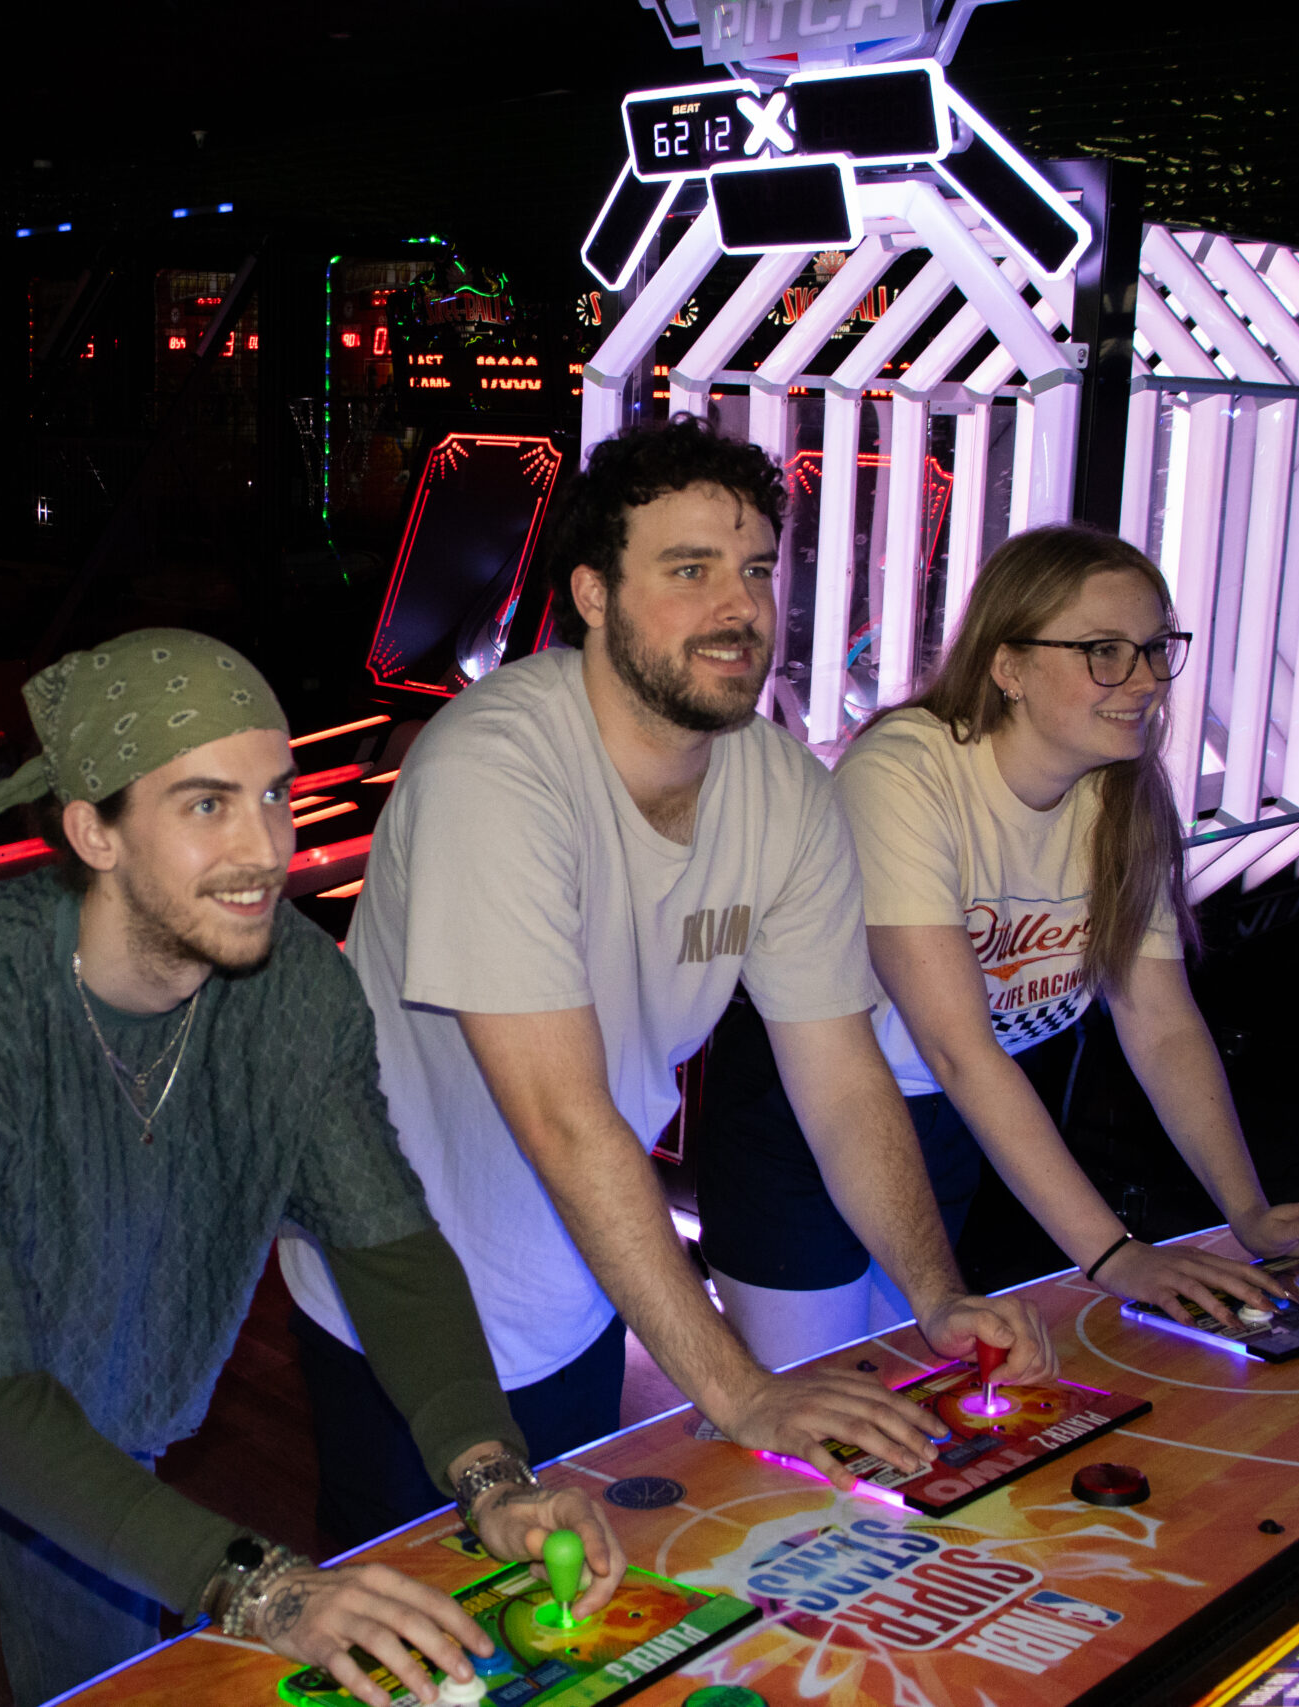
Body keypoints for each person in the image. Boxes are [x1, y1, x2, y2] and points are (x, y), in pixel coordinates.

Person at [276, 417, 1054, 1551]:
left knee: (573, 1607)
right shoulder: (494, 771)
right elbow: (563, 1117)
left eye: (754, 571)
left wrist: (936, 1293)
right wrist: (738, 1389)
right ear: (592, 595)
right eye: (688, 571)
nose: (738, 608)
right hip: (403, 1299)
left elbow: (842, 1081)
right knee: (419, 1622)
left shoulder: (783, 792)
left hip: (586, 1286)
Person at [0, 628, 626, 1707]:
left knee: (106, 1681)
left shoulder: (292, 987)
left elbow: (387, 1248)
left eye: (275, 796)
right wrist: (267, 1588)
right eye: (207, 804)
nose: (264, 846)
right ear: (93, 831)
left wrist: (492, 1478)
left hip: (100, 1384)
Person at [694, 524, 1299, 1367]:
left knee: (910, 1386)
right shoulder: (905, 772)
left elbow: (1161, 1023)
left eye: (1156, 649)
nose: (1146, 680)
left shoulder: (1124, 796)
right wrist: (1115, 1256)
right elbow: (960, 1047)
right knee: (820, 1400)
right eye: (1105, 652)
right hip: (804, 1110)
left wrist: (1250, 1212)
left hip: (947, 1116)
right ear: (1008, 666)